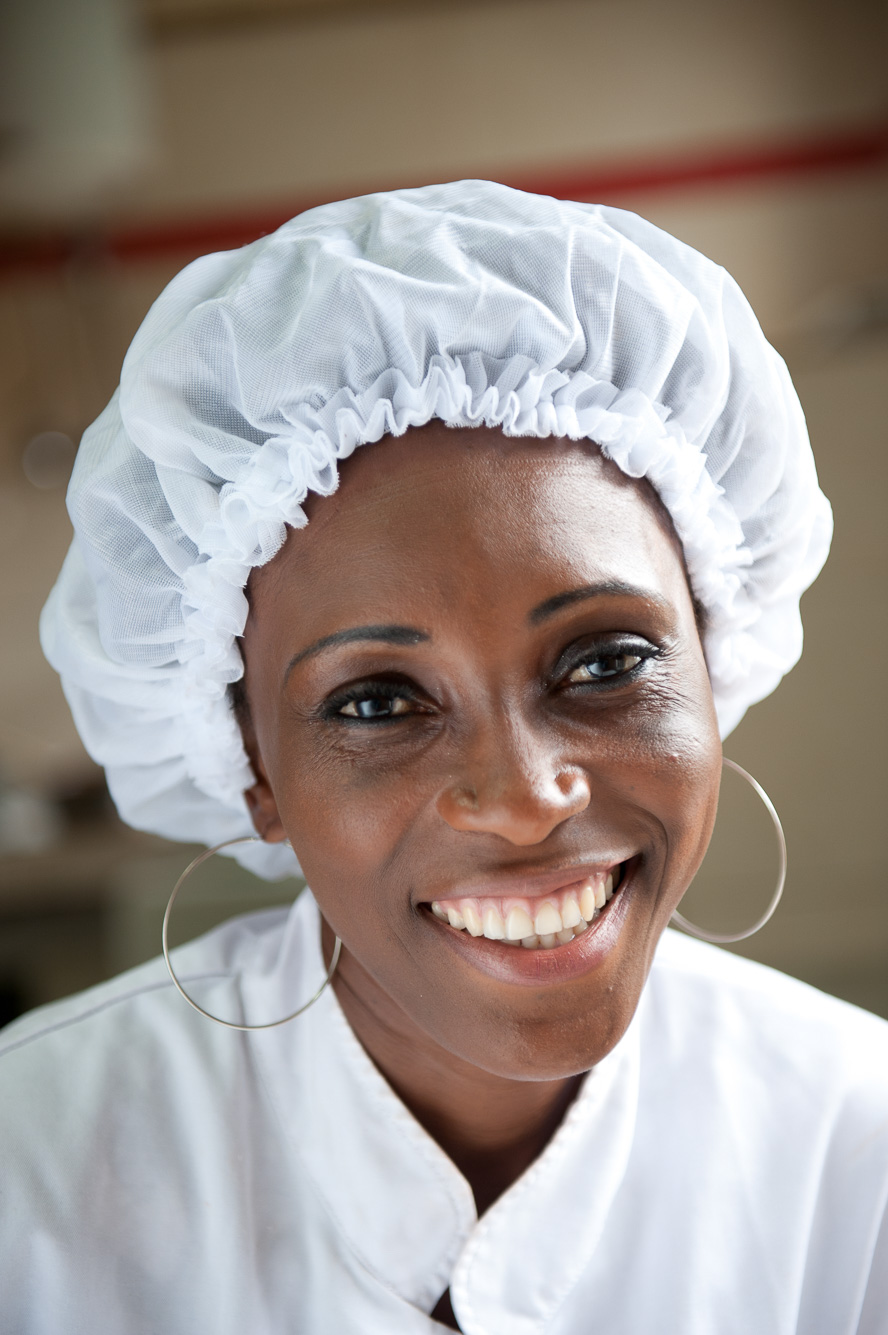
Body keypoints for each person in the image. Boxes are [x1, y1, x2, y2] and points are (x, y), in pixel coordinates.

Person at [0, 181, 885, 1334]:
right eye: (376, 701)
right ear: (253, 768)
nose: (523, 798)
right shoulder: (35, 1165)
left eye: (607, 660)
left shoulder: (853, 1145)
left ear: (713, 669)